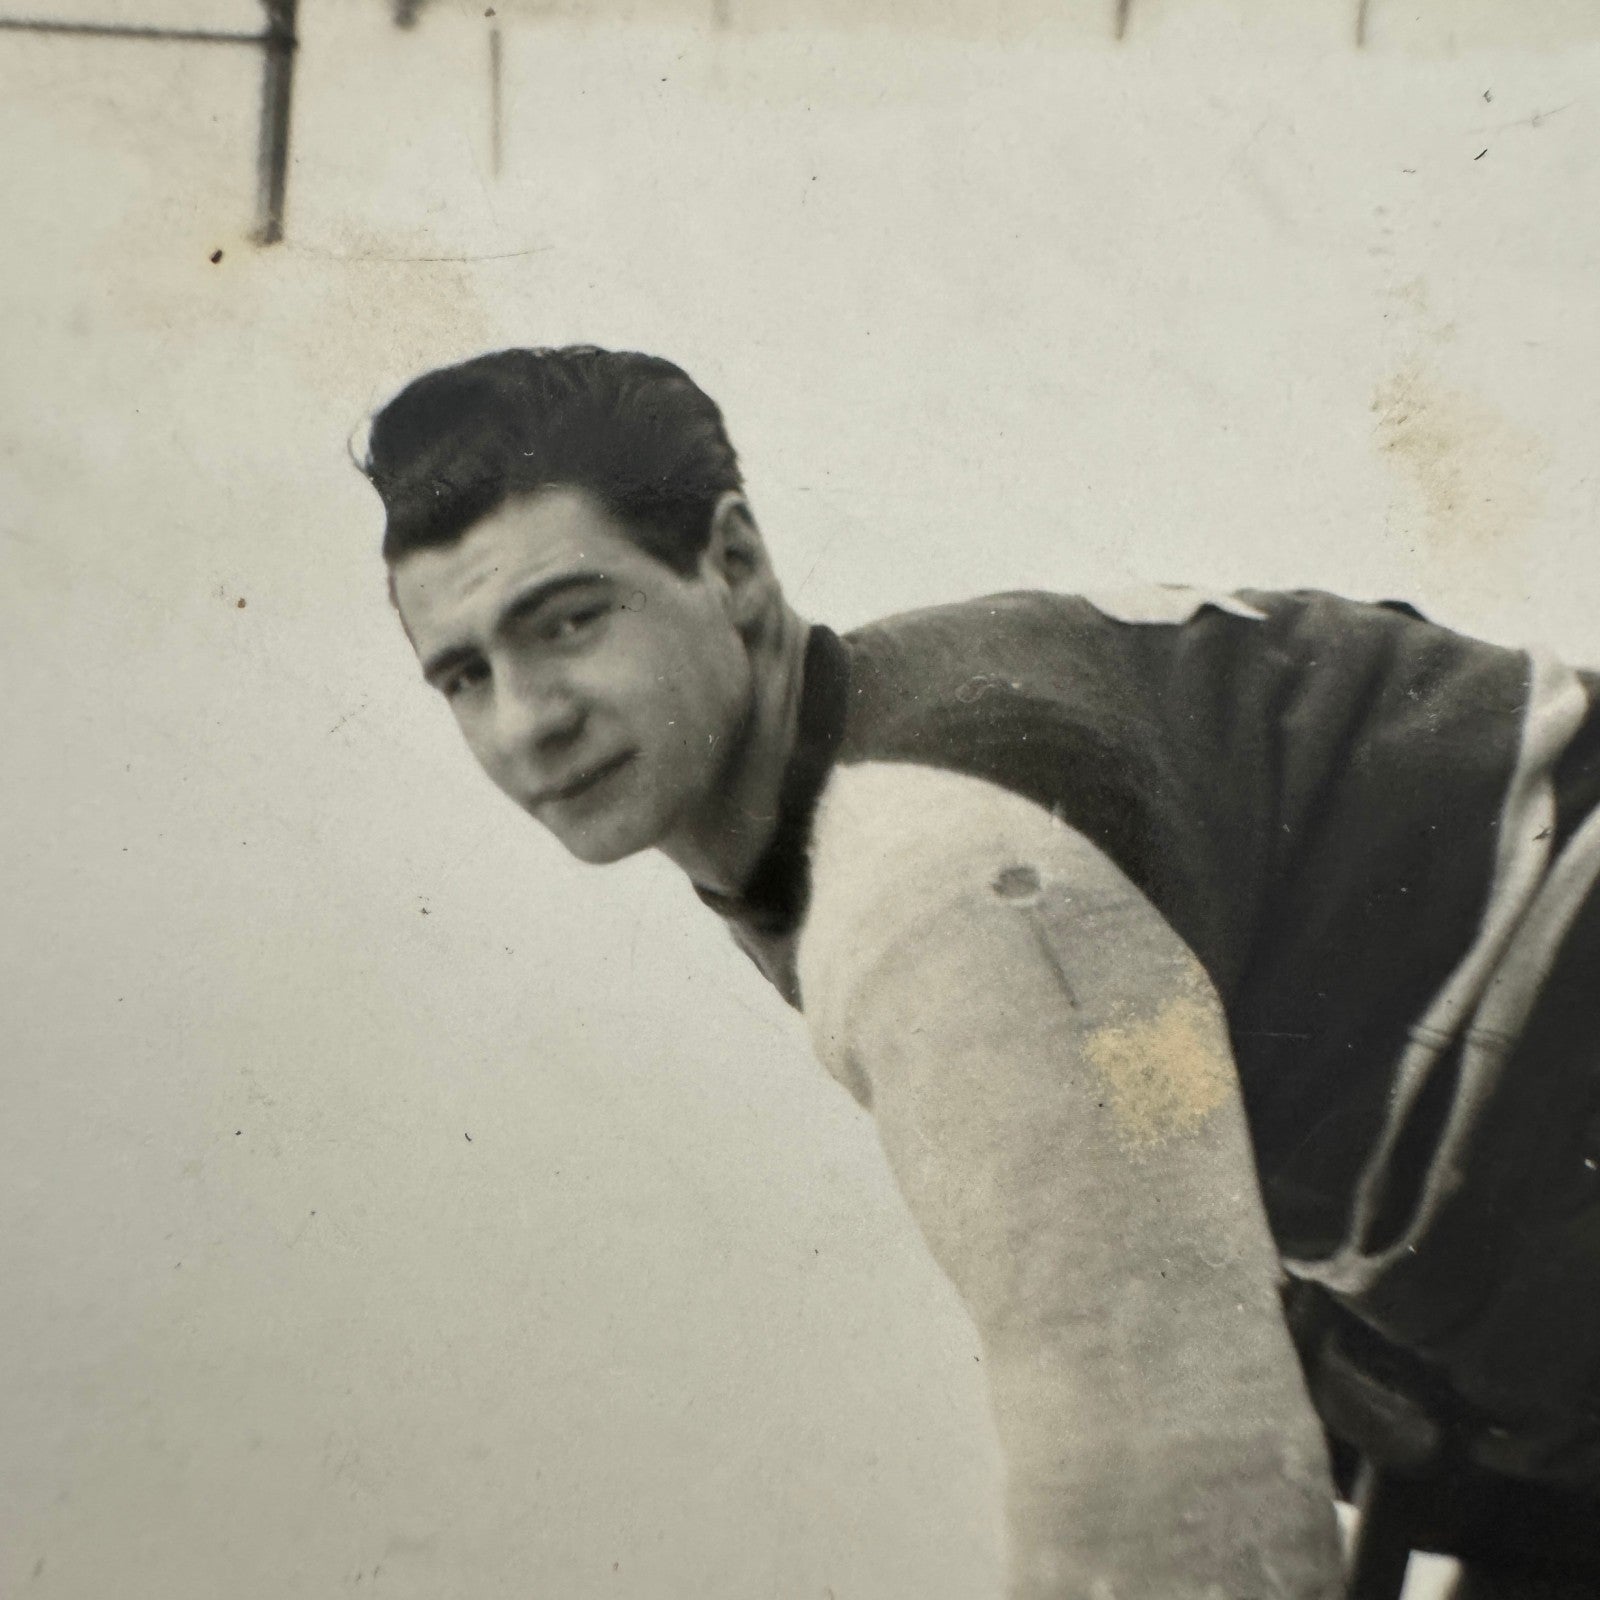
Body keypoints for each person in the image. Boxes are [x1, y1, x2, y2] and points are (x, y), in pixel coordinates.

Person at [358, 345, 1600, 1600]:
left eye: (569, 621)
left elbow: (1167, 1502)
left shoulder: (937, 872)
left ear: (731, 565)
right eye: (464, 674)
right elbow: (1174, 1103)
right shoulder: (881, 770)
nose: (525, 719)